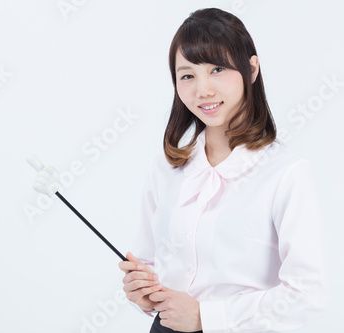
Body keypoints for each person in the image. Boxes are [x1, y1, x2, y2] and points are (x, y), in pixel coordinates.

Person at [118, 8, 327, 333]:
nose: (203, 90)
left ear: (252, 69)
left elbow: (308, 294)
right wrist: (141, 292)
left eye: (217, 69)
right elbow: (148, 262)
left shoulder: (286, 174)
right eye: (187, 75)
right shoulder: (165, 169)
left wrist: (207, 317)